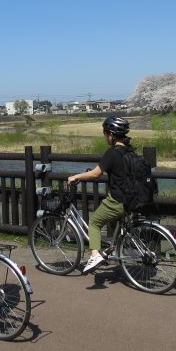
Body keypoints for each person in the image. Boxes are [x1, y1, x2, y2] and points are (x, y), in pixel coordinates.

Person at [67, 116, 133, 273]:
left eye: (105, 133)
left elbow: (96, 174)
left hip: (118, 200)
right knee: (112, 222)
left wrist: (76, 177)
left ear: (111, 134)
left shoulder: (112, 153)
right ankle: (113, 249)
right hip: (133, 198)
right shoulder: (130, 150)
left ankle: (95, 255)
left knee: (95, 222)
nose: (105, 137)